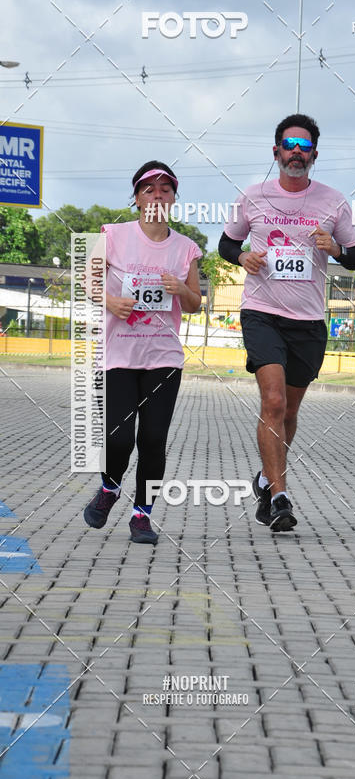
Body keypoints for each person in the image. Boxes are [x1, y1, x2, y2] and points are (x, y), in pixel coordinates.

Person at [219, 114, 355, 532]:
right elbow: (226, 243)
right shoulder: (253, 197)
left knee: (290, 411)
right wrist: (241, 256)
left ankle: (267, 480)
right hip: (262, 312)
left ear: (314, 155)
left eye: (304, 147)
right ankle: (281, 497)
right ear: (276, 151)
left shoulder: (332, 201)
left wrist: (335, 247)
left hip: (307, 320)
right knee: (274, 402)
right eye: (289, 145)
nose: (296, 153)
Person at [83, 161, 202, 543]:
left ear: (174, 199)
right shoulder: (114, 235)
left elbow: (196, 302)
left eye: (165, 189)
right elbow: (88, 281)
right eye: (149, 189)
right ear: (136, 198)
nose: (157, 194)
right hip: (118, 356)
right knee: (119, 440)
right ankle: (109, 489)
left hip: (163, 359)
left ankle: (142, 514)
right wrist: (111, 301)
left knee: (153, 439)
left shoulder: (185, 249)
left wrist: (180, 289)